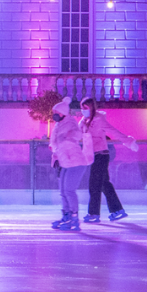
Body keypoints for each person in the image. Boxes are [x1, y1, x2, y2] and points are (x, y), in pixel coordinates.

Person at [79, 97, 138, 223]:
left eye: (85, 108)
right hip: (92, 156)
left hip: (101, 155)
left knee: (94, 184)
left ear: (91, 107)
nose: (83, 110)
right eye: (81, 108)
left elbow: (113, 131)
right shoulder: (84, 121)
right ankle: (117, 210)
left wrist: (129, 141)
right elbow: (76, 134)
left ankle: (93, 213)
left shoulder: (99, 120)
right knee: (104, 184)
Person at [47, 96, 88, 231]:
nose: (54, 115)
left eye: (56, 113)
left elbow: (78, 134)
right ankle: (66, 215)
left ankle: (74, 218)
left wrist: (70, 135)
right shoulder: (58, 126)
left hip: (75, 162)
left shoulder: (70, 123)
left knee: (69, 190)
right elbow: (55, 144)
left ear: (63, 113)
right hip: (64, 162)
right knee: (63, 191)